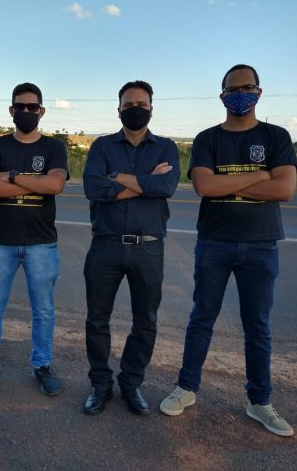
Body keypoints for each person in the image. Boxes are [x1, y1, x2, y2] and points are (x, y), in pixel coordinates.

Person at [160, 64, 297, 437]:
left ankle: (260, 401)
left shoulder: (275, 136)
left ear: (259, 91)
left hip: (261, 244)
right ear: (222, 95)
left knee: (258, 326)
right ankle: (186, 388)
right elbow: (205, 186)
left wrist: (229, 182)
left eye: (247, 87)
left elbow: (284, 189)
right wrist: (261, 174)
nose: (241, 94)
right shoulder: (208, 139)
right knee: (202, 318)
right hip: (215, 242)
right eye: (233, 89)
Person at [82, 80, 180, 415]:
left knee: (146, 321)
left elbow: (166, 186)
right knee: (97, 320)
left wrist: (117, 176)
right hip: (105, 245)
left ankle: (131, 383)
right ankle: (100, 385)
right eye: (128, 104)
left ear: (151, 109)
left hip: (148, 248)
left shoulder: (166, 147)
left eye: (141, 104)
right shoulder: (102, 146)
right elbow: (93, 188)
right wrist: (146, 182)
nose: (135, 109)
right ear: (119, 109)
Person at [0, 82, 69, 398]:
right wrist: (36, 183)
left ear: (41, 111)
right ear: (11, 110)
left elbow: (55, 186)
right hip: (1, 242)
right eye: (20, 107)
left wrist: (11, 176)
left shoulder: (53, 147)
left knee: (44, 310)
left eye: (32, 107)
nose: (26, 111)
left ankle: (42, 365)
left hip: (41, 243)